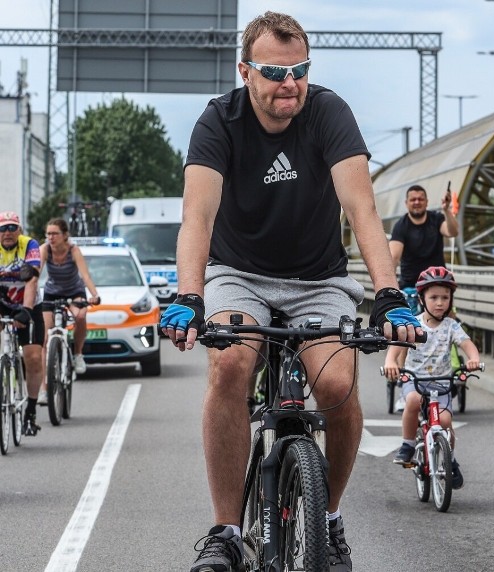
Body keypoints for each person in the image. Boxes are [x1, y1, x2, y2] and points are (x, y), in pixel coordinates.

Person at [158, 11, 421, 572]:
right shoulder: (218, 122)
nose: (290, 84)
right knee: (229, 368)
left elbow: (363, 209)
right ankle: (226, 532)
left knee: (337, 383)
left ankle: (329, 519)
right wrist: (188, 295)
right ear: (245, 72)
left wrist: (389, 294)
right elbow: (197, 218)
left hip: (318, 279)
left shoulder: (328, 112)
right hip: (238, 274)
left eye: (299, 70)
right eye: (275, 72)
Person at [382, 266, 481, 490]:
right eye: (434, 297)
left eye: (445, 298)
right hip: (414, 379)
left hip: (442, 383)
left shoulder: (451, 327)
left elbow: (468, 346)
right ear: (422, 298)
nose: (439, 303)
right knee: (413, 401)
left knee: (445, 422)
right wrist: (390, 362)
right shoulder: (413, 323)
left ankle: (450, 458)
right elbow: (397, 347)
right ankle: (407, 444)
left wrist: (473, 359)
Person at [39, 218, 101, 386]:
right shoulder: (45, 250)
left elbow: (85, 276)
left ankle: (78, 354)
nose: (51, 237)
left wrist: (94, 295)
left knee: (80, 315)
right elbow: (35, 273)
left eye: (55, 234)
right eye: (48, 234)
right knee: (44, 338)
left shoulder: (73, 251)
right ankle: (45, 389)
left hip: (74, 291)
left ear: (65, 235)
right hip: (52, 292)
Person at [0, 212, 45, 436]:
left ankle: (30, 411)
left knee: (34, 358)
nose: (7, 233)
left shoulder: (29, 245)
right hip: (3, 302)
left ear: (19, 229)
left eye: (12, 228)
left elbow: (32, 279)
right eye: (2, 229)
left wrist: (26, 311)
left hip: (29, 305)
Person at [389, 184, 459, 289]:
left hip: (437, 282)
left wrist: (446, 210)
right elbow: (393, 257)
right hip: (411, 286)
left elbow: (453, 232)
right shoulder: (400, 226)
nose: (417, 202)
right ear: (406, 203)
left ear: (427, 202)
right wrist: (389, 286)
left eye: (420, 199)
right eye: (413, 199)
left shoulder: (437, 219)